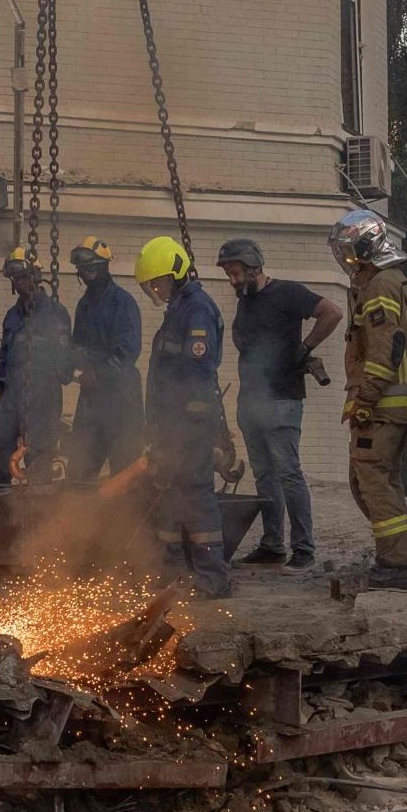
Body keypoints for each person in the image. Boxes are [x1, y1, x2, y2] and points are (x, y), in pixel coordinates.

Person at [219, 237, 343, 574]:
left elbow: (332, 312)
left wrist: (304, 347)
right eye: (229, 274)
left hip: (282, 400)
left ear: (254, 266)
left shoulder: (287, 293)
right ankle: (272, 546)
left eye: (236, 273)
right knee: (265, 477)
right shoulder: (245, 301)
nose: (232, 280)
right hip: (253, 403)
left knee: (288, 473)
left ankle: (303, 549)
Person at [327, 210, 407, 590]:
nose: (346, 259)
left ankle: (396, 565)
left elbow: (385, 349)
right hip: (389, 405)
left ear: (366, 247)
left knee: (373, 482)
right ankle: (396, 557)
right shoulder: (385, 281)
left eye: (349, 251)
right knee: (377, 481)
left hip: (382, 406)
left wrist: (366, 399)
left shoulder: (381, 285)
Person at [134, 235, 231, 598]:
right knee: (169, 494)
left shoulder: (197, 311)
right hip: (169, 427)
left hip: (188, 428)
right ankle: (171, 572)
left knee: (196, 494)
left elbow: (197, 376)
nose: (156, 289)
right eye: (151, 285)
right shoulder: (178, 310)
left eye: (158, 282)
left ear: (177, 273)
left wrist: (185, 431)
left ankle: (213, 578)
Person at [0, 249, 73, 485]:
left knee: (39, 460)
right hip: (12, 397)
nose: (20, 283)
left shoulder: (56, 314)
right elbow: (4, 357)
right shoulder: (12, 316)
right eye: (16, 279)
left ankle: (40, 515)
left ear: (36, 276)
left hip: (44, 398)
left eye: (24, 277)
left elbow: (65, 366)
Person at [65, 236, 144, 481]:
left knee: (124, 473)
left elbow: (128, 352)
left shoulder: (123, 303)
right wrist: (67, 365)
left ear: (103, 267)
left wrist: (97, 374)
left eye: (90, 269)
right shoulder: (84, 305)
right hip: (92, 401)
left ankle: (126, 520)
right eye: (81, 271)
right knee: (79, 468)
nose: (86, 276)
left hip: (121, 400)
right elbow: (76, 346)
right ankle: (80, 516)